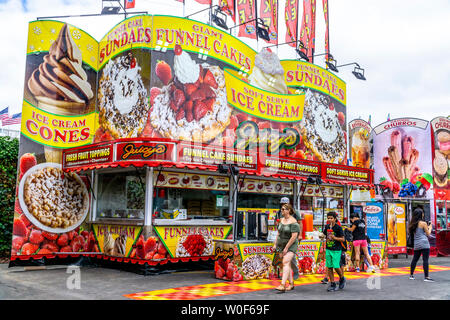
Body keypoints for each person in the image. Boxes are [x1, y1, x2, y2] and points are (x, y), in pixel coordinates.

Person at [273, 203, 301, 292]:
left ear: (288, 210)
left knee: (285, 262)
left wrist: (286, 248)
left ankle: (282, 285)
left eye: (283, 209)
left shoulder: (294, 222)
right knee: (287, 264)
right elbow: (278, 233)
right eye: (281, 209)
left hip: (291, 244)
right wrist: (275, 244)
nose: (282, 211)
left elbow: (294, 237)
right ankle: (291, 284)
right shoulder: (281, 220)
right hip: (281, 244)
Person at [276, 197, 303, 280]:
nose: (283, 206)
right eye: (282, 204)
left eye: (285, 204)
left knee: (292, 257)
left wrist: (300, 235)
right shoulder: (279, 213)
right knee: (283, 257)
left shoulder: (295, 213)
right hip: (283, 238)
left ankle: (295, 272)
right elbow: (277, 224)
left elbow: (300, 223)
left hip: (292, 237)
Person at [320, 212, 346, 291]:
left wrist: (334, 238)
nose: (330, 220)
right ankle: (332, 283)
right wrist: (321, 236)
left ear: (335, 219)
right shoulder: (327, 226)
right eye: (328, 218)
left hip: (336, 249)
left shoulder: (338, 228)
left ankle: (342, 278)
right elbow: (324, 234)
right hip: (328, 248)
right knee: (329, 266)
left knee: (336, 266)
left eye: (331, 218)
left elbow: (343, 239)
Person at [408, 207, 434, 282]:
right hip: (424, 243)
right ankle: (426, 277)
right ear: (420, 214)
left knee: (414, 259)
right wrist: (430, 227)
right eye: (422, 213)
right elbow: (428, 234)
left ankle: (411, 275)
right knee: (425, 260)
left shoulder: (412, 224)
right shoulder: (423, 223)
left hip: (417, 244)